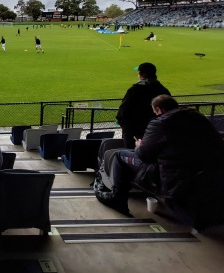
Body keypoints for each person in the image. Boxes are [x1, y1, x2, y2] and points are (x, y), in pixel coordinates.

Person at [96, 95, 224, 216]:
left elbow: (143, 155)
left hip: (172, 176)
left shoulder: (160, 123)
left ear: (158, 109)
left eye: (155, 112)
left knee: (120, 155)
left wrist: (139, 146)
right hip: (205, 173)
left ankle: (118, 199)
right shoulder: (199, 119)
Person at [116, 62, 171, 148]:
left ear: (141, 74)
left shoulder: (134, 90)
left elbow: (124, 109)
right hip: (157, 130)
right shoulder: (163, 90)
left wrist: (122, 122)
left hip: (135, 128)